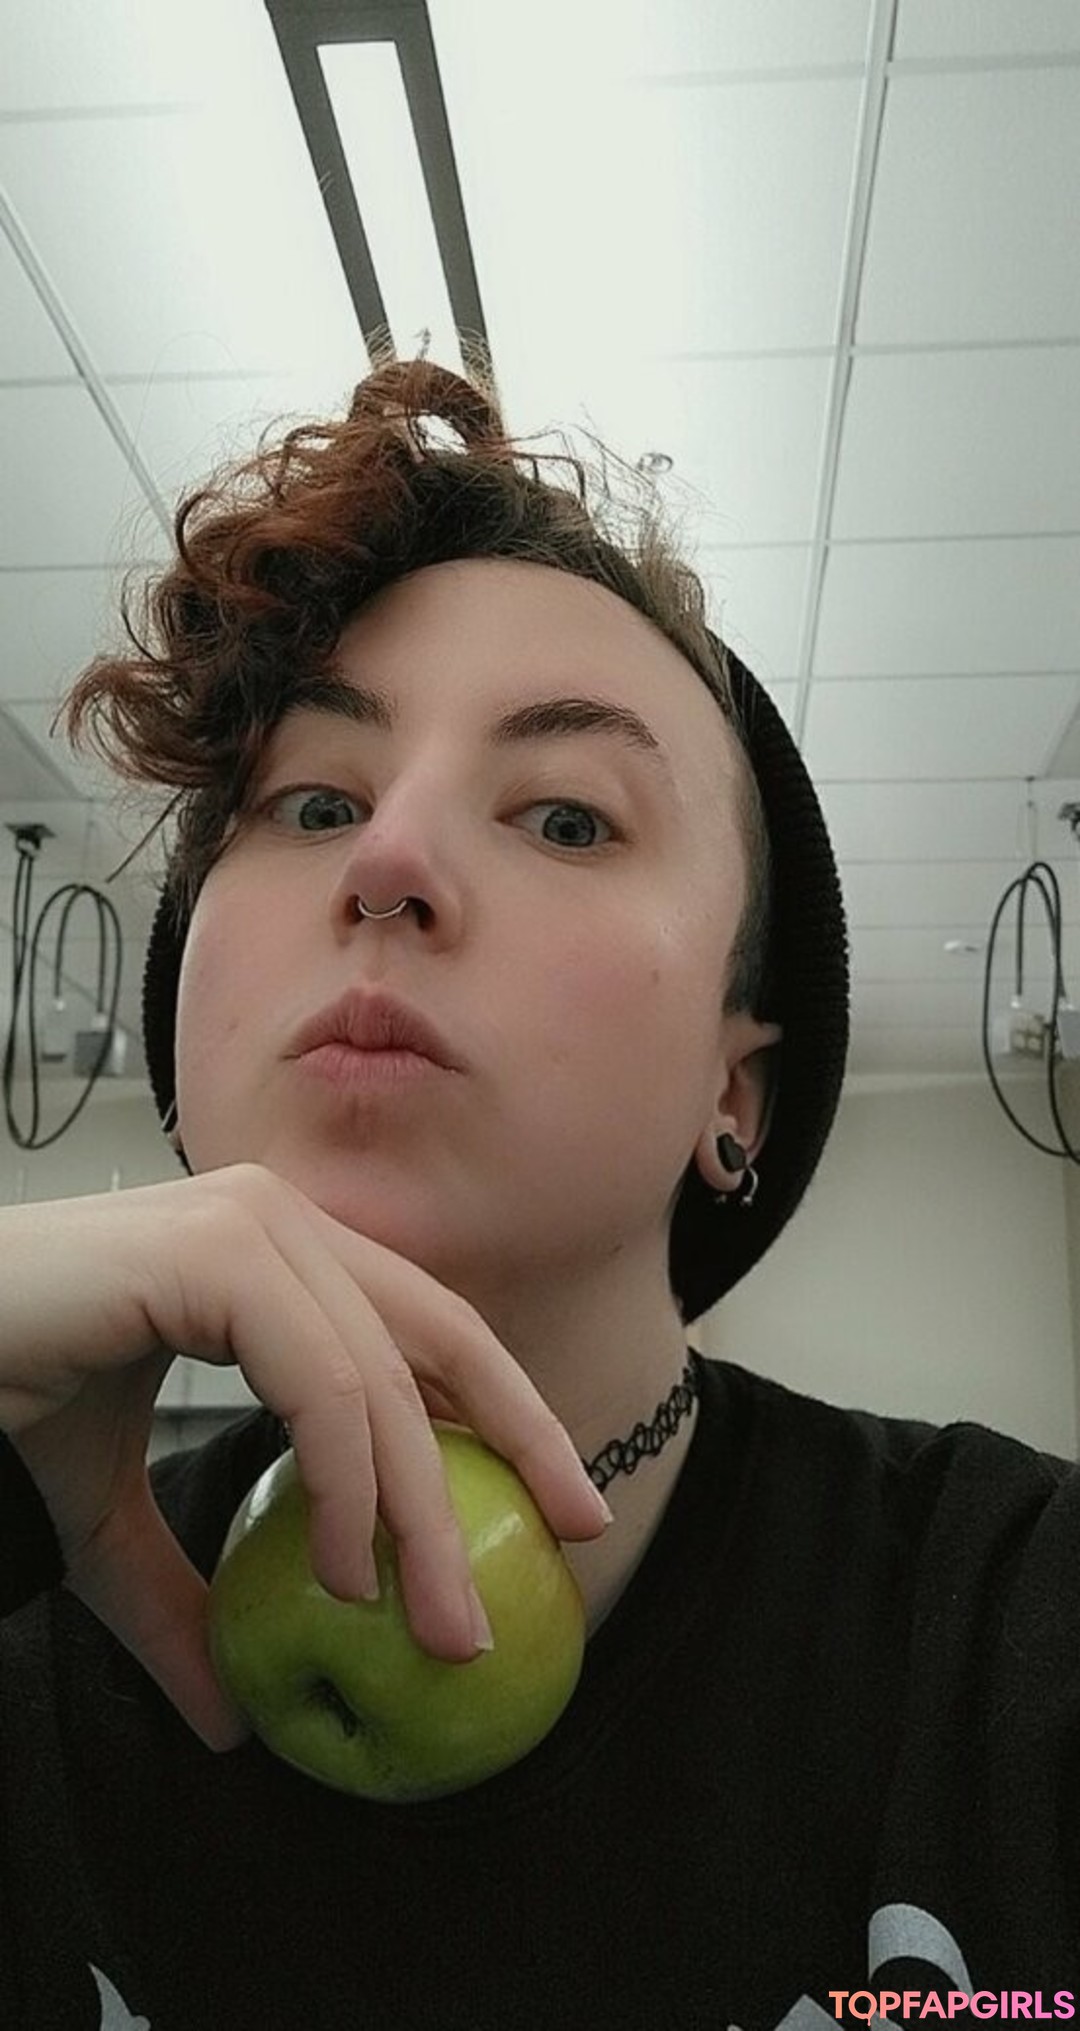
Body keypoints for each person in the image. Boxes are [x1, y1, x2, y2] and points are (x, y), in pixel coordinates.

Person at [0, 357, 1075, 2029]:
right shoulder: (27, 1612)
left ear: (736, 1093)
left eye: (568, 819)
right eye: (315, 802)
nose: (389, 861)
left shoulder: (1014, 1619)